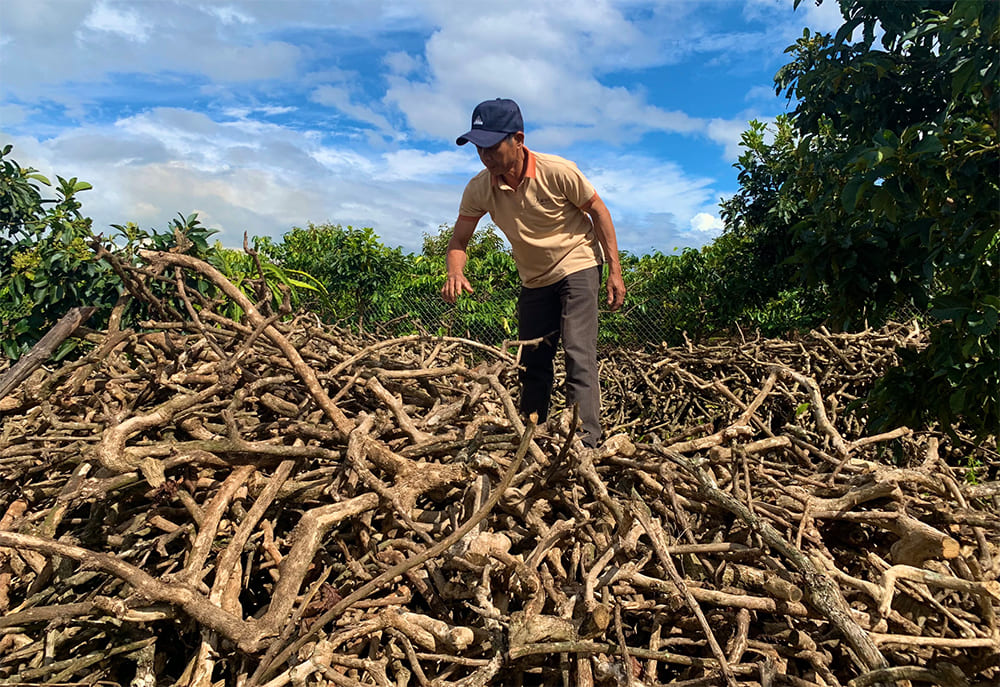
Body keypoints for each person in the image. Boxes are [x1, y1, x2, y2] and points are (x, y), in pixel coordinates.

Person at [441, 97, 626, 448]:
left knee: (576, 349)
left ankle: (585, 441)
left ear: (519, 140)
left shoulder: (557, 171)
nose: (485, 156)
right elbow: (459, 240)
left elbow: (599, 212)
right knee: (532, 359)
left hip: (578, 262)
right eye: (478, 148)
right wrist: (454, 272)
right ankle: (532, 436)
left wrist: (615, 271)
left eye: (492, 147)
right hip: (535, 279)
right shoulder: (479, 187)